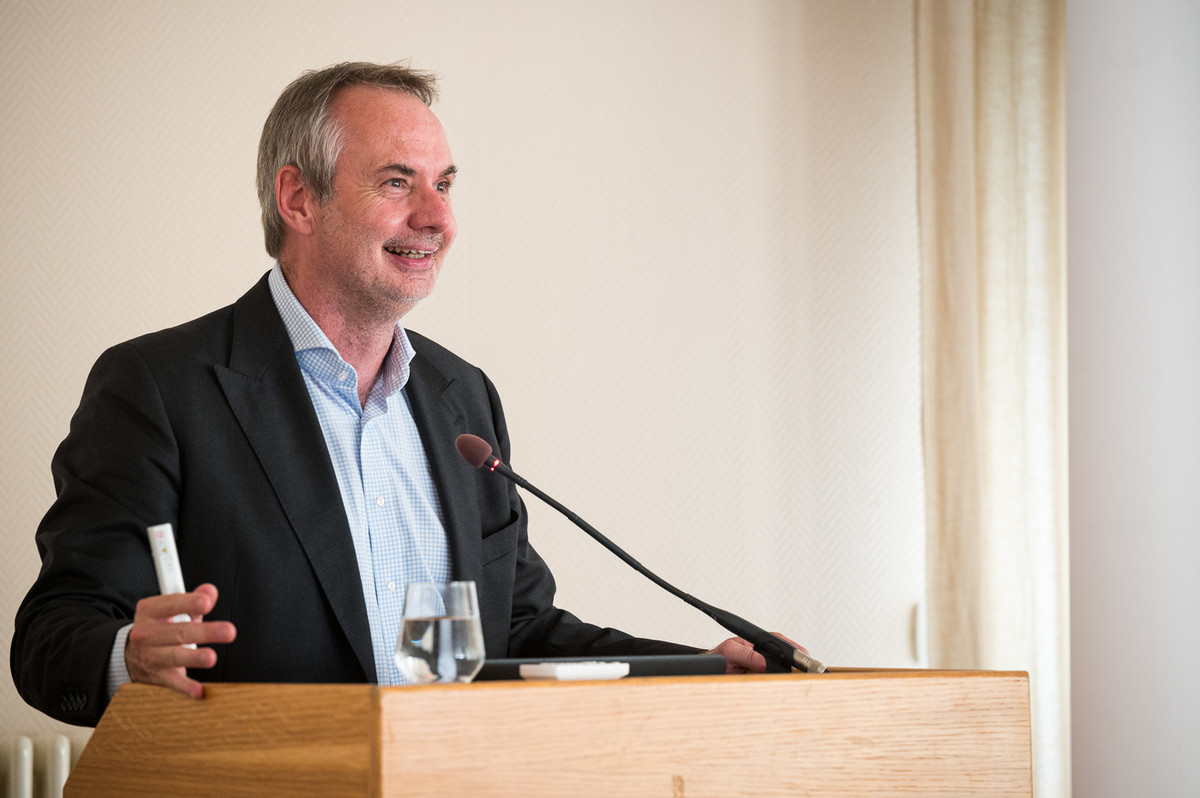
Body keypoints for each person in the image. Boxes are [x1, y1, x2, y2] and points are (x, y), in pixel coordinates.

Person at [10, 62, 776, 727]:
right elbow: (50, 638)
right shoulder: (160, 387)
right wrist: (129, 656)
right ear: (299, 199)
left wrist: (702, 668)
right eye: (397, 182)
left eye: (444, 185)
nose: (438, 218)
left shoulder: (462, 398)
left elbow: (515, 630)